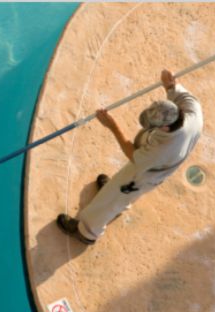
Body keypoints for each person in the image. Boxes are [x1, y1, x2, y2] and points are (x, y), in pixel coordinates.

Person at [57, 69, 204, 245]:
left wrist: (112, 126)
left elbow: (132, 154)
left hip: (144, 175)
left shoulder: (163, 148)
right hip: (155, 166)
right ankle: (117, 197)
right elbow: (175, 90)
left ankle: (87, 231)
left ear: (165, 128)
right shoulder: (191, 109)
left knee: (114, 197)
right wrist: (170, 84)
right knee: (117, 192)